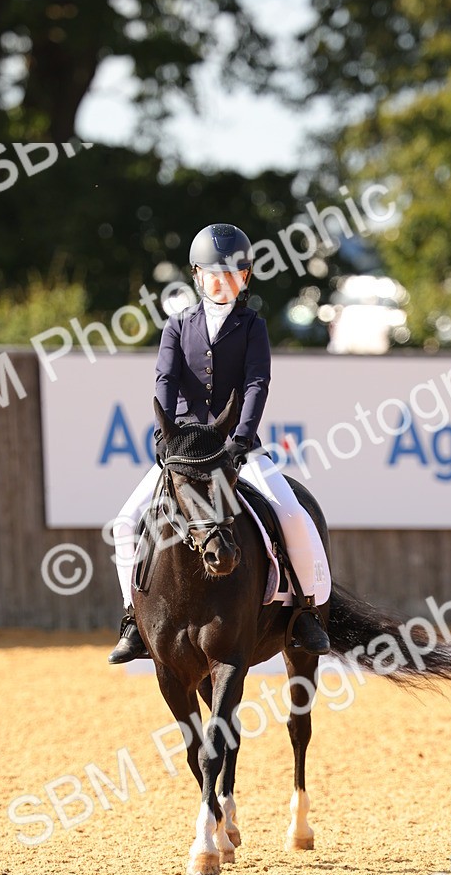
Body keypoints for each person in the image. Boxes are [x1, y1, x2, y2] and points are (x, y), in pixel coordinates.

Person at [107, 221, 331, 663]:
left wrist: (242, 438)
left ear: (244, 278)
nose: (223, 281)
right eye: (214, 274)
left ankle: (306, 612)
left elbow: (256, 384)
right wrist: (164, 434)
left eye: (233, 273)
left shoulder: (253, 327)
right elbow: (166, 379)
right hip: (187, 454)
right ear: (197, 276)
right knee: (125, 523)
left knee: (294, 516)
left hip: (237, 450)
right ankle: (133, 619)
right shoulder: (177, 326)